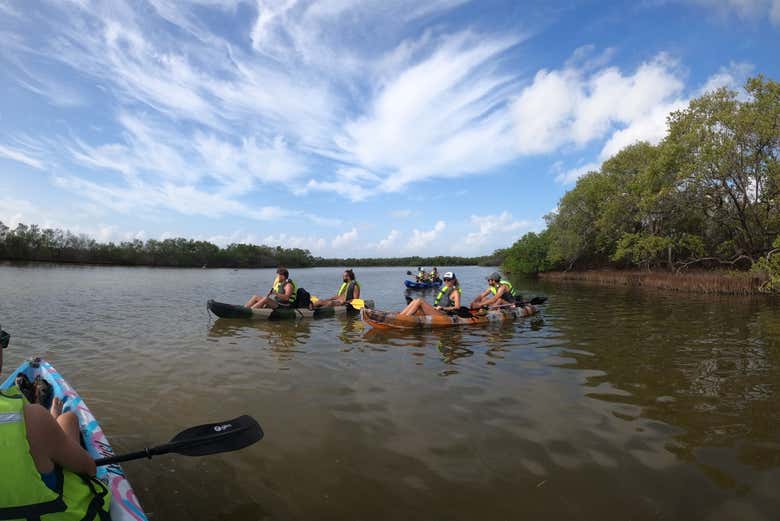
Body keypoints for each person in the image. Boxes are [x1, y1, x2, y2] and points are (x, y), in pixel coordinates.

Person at [0, 324, 109, 517]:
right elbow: (89, 469)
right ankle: (54, 422)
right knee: (68, 419)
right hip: (50, 512)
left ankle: (51, 425)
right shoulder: (33, 418)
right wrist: (48, 422)